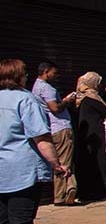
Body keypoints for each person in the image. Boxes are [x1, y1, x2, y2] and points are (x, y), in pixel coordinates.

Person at [1, 59, 69, 224]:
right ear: (19, 76)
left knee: (2, 222)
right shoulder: (25, 99)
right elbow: (40, 138)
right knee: (20, 221)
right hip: (22, 170)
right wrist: (56, 164)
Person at [32, 62, 78, 206]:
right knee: (64, 161)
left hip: (51, 128)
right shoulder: (47, 88)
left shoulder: (35, 88)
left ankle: (67, 189)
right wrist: (66, 101)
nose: (56, 75)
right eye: (54, 72)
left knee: (59, 160)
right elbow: (55, 108)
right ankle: (63, 193)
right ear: (46, 72)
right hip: (61, 127)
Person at [73, 72, 106, 201]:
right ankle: (101, 191)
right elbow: (105, 111)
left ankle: (85, 192)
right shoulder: (91, 98)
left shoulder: (80, 97)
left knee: (86, 163)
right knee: (98, 162)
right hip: (95, 135)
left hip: (84, 135)